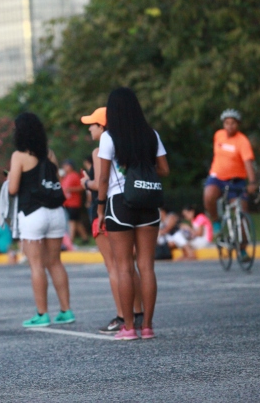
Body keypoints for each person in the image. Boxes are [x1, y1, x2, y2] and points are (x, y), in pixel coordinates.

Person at [96, 88, 169, 340]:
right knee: (147, 266)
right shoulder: (151, 135)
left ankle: (129, 327)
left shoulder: (108, 137)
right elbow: (164, 169)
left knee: (124, 266)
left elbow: (103, 177)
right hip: (148, 202)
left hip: (120, 204)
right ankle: (147, 326)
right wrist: (142, 172)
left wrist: (99, 208)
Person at [7, 113, 75, 328]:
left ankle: (42, 313)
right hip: (55, 213)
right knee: (55, 262)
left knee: (36, 265)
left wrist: (10, 175)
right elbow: (54, 180)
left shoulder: (18, 156)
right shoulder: (50, 154)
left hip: (32, 213)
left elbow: (13, 188)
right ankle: (66, 310)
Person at [80, 107, 144, 334]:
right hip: (129, 205)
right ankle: (138, 313)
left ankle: (121, 315)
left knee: (115, 267)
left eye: (93, 124)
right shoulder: (126, 145)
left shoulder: (100, 151)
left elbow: (101, 184)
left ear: (103, 126)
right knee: (129, 265)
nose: (89, 128)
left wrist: (85, 183)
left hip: (108, 210)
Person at [203, 109, 257, 235]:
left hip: (236, 181)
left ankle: (242, 248)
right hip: (217, 177)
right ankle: (216, 221)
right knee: (208, 195)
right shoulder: (218, 135)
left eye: (233, 123)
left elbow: (248, 162)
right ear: (223, 124)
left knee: (242, 213)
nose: (230, 126)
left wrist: (253, 182)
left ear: (238, 124)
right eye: (227, 123)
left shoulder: (242, 141)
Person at [61, 160, 89, 245]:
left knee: (71, 221)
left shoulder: (75, 175)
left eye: (66, 166)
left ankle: (70, 241)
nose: (64, 168)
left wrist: (71, 189)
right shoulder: (66, 176)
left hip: (74, 202)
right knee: (76, 221)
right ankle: (85, 238)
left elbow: (82, 187)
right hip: (67, 203)